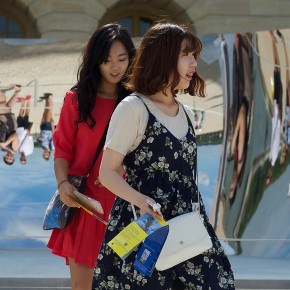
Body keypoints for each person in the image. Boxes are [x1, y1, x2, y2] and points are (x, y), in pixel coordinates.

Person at [93, 21, 235, 289]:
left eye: (194, 55)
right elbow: (107, 172)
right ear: (163, 57)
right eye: (185, 54)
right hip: (145, 227)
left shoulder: (187, 113)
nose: (194, 63)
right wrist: (141, 200)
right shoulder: (133, 108)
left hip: (188, 228)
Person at [46, 23, 135, 290]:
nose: (115, 67)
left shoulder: (137, 102)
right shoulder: (77, 99)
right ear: (95, 61)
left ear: (131, 59)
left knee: (123, 284)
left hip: (125, 207)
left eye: (122, 59)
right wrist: (63, 185)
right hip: (85, 206)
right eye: (106, 60)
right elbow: (62, 150)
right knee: (82, 285)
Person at [0, 94, 34, 165]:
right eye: (10, 159)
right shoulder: (19, 150)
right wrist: (29, 133)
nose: (9, 157)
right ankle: (27, 101)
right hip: (24, 131)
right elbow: (29, 140)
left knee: (20, 115)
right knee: (26, 115)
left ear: (4, 157)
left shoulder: (9, 149)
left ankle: (22, 101)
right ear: (13, 158)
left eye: (7, 158)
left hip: (16, 129)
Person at [39, 93, 55, 160]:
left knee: (45, 113)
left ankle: (46, 99)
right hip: (49, 129)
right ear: (49, 154)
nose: (45, 153)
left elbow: (42, 137)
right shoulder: (52, 147)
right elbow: (54, 137)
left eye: (44, 154)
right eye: (47, 154)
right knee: (49, 112)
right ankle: (50, 98)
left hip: (43, 129)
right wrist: (52, 126)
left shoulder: (43, 147)